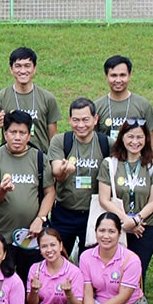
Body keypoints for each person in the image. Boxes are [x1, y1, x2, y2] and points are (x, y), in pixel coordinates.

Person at [0, 110, 56, 282]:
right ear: (5, 133)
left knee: (30, 279)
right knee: (3, 280)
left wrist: (41, 218)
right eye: (13, 132)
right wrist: (2, 189)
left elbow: (50, 192)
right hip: (3, 234)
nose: (17, 137)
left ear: (29, 135)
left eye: (22, 133)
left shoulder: (38, 158)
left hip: (32, 235)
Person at [97, 118, 153, 285]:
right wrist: (125, 220)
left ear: (146, 139)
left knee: (138, 273)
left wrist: (136, 220)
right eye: (130, 137)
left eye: (140, 137)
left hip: (144, 228)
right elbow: (104, 198)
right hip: (117, 227)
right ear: (122, 137)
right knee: (114, 273)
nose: (135, 142)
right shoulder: (110, 164)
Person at [48, 98, 110, 256]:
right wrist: (63, 170)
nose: (81, 125)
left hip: (93, 213)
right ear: (69, 120)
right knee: (58, 256)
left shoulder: (107, 144)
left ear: (95, 119)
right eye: (76, 120)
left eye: (85, 120)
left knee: (90, 259)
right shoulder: (61, 141)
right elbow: (56, 170)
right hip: (64, 212)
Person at [0, 47, 61, 149]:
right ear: (11, 69)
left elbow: (53, 137)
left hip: (39, 159)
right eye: (18, 66)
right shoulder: (0, 98)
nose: (22, 71)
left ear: (34, 68)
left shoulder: (47, 98)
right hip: (10, 159)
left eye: (27, 66)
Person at [93, 55, 153, 149]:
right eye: (113, 75)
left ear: (129, 75)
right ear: (106, 76)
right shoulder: (97, 106)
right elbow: (92, 139)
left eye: (122, 75)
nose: (118, 80)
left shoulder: (142, 104)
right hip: (107, 161)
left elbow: (150, 137)